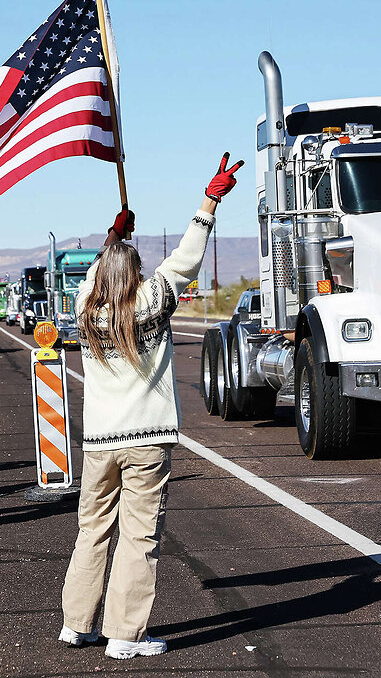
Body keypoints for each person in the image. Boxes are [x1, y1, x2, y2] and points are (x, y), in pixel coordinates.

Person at [58, 153, 242, 659]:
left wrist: (113, 241)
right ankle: (124, 634)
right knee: (139, 536)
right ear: (138, 273)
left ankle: (77, 623)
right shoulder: (155, 297)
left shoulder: (83, 307)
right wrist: (209, 202)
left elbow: (103, 271)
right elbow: (188, 256)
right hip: (146, 440)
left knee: (91, 529)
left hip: (99, 440)